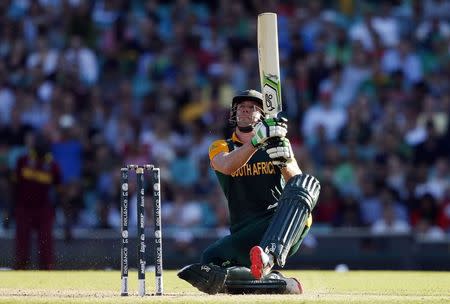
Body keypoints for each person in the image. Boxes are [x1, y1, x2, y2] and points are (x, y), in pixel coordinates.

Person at [178, 90, 321, 294]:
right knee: (210, 264)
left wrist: (284, 162)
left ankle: (268, 257)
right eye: (241, 106)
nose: (246, 109)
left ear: (262, 115)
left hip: (280, 222)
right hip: (245, 231)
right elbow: (226, 165)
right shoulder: (221, 146)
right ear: (234, 113)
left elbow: (298, 184)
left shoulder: (278, 144)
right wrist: (256, 141)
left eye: (253, 106)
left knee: (306, 183)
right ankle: (281, 284)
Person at [13, 132, 62, 269]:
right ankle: (20, 273)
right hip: (24, 208)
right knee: (22, 246)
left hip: (43, 209)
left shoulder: (52, 165)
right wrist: (11, 209)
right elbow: (14, 187)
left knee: (46, 245)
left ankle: (47, 273)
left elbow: (59, 191)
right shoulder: (22, 161)